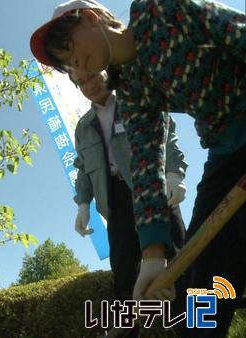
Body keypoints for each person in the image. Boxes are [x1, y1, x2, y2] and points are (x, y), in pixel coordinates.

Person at [30, 0, 245, 335]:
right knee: (202, 289)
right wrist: (152, 255)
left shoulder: (160, 10)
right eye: (65, 62)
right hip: (226, 156)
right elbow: (145, 170)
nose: (73, 62)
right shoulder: (131, 90)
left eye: (68, 47)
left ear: (90, 17)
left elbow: (237, 32)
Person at [71, 69, 187, 337]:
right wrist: (83, 204)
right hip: (115, 202)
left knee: (180, 264)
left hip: (154, 190)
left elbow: (167, 133)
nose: (90, 84)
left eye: (93, 76)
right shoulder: (83, 126)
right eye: (82, 82)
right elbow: (82, 169)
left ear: (105, 71)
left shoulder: (134, 99)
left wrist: (174, 173)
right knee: (124, 277)